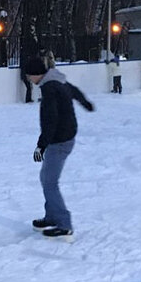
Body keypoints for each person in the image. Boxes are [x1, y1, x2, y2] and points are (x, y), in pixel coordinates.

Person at [24, 57, 94, 239]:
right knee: (46, 178)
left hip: (60, 140)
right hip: (65, 136)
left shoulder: (49, 89)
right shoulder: (57, 80)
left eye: (30, 76)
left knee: (49, 182)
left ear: (36, 74)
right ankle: (52, 217)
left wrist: (41, 146)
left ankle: (64, 225)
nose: (29, 79)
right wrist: (86, 103)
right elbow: (75, 91)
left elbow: (50, 120)